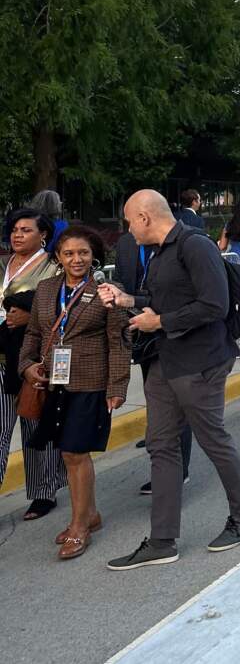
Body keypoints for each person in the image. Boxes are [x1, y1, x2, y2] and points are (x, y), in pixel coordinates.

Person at [99, 190, 240, 570]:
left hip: (199, 361)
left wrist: (161, 322)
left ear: (146, 217)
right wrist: (128, 301)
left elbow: (214, 305)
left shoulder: (195, 245)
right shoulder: (161, 251)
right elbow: (162, 295)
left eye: (129, 221)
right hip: (164, 361)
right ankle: (162, 540)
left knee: (212, 438)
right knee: (161, 445)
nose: (127, 229)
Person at [20, 226, 130, 559]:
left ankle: (79, 527)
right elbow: (35, 332)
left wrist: (117, 386)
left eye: (83, 253)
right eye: (68, 253)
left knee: (74, 453)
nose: (76, 259)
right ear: (57, 257)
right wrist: (26, 365)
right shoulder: (46, 288)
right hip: (54, 381)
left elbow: (119, 341)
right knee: (68, 452)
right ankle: (91, 514)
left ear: (93, 255)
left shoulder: (107, 290)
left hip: (90, 382)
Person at [113, 229, 193, 495]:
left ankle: (177, 472)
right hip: (141, 334)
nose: (130, 226)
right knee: (156, 397)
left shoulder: (183, 244)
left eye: (134, 219)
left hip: (176, 332)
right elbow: (123, 281)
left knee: (178, 404)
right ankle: (160, 449)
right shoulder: (126, 243)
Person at [0, 209, 65, 521]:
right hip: (0, 358)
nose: (17, 235)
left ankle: (44, 491)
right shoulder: (2, 263)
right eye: (14, 229)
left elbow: (63, 310)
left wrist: (31, 316)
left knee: (34, 424)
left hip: (31, 359)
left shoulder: (53, 267)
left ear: (43, 235)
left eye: (26, 230)